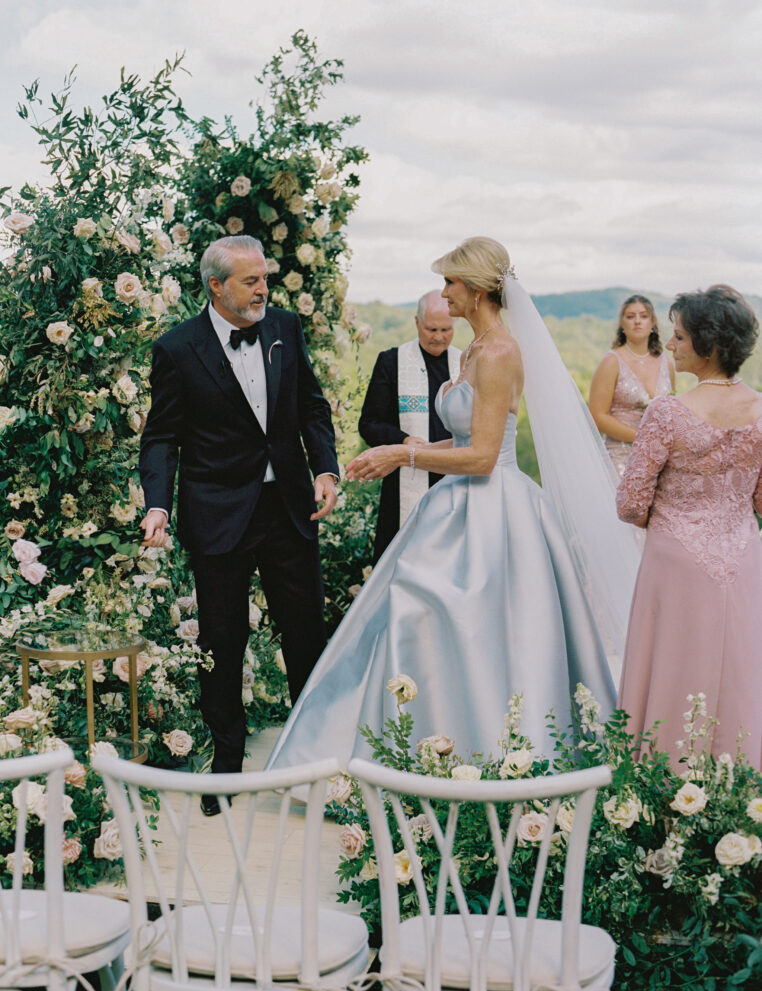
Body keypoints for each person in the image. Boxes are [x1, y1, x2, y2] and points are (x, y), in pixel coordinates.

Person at [267, 237, 640, 773]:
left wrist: (404, 453)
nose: (444, 293)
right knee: (416, 611)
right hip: (456, 505)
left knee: (481, 631)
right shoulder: (473, 349)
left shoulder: (502, 352)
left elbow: (485, 457)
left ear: (477, 287)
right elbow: (461, 441)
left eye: (450, 282)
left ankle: (495, 754)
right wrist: (403, 455)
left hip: (497, 514)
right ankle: (419, 748)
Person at [139, 235, 339, 813]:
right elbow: (161, 439)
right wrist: (158, 505)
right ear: (216, 287)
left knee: (305, 636)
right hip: (218, 515)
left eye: (265, 278)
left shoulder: (284, 329)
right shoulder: (177, 349)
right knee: (222, 643)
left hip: (289, 512)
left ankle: (314, 762)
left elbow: (311, 407)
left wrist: (325, 468)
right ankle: (226, 767)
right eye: (251, 280)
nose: (263, 289)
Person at [617, 285, 762, 771]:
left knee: (672, 669)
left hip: (674, 562)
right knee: (741, 669)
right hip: (742, 555)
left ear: (710, 344)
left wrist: (675, 519)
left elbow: (631, 502)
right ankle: (741, 783)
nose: (671, 345)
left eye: (679, 337)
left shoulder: (667, 412)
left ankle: (661, 784)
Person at [358, 291, 461, 561]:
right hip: (405, 479)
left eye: (446, 329)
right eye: (431, 329)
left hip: (454, 477)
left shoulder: (466, 365)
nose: (439, 336)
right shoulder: (391, 362)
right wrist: (402, 441)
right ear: (417, 323)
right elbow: (369, 423)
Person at [588, 294, 674, 476]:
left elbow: (672, 412)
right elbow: (597, 415)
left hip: (657, 458)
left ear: (653, 323)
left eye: (643, 316)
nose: (637, 321)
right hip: (620, 457)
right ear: (622, 324)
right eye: (630, 316)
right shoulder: (611, 362)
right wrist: (642, 438)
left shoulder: (666, 363)